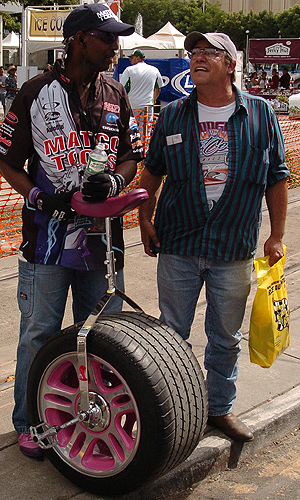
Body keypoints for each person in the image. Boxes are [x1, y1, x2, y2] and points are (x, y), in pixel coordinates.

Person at [0, 3, 141, 459]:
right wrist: (39, 196)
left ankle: (91, 417)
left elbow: (132, 156)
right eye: (107, 37)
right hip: (47, 242)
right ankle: (28, 422)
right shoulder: (34, 92)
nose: (116, 46)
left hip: (103, 246)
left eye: (117, 38)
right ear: (79, 40)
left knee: (105, 333)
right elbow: (4, 160)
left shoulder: (117, 92)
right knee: (40, 333)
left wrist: (117, 179)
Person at [139, 31, 289, 443]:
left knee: (225, 339)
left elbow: (277, 179)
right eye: (194, 52)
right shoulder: (171, 115)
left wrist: (276, 235)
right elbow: (151, 173)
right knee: (171, 336)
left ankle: (219, 408)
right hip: (179, 246)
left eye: (209, 53)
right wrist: (144, 218)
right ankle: (172, 412)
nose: (197, 58)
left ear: (231, 64)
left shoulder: (260, 114)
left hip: (234, 248)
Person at [120, 49, 163, 131]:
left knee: (131, 132)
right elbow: (158, 88)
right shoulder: (154, 70)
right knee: (145, 133)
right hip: (147, 106)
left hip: (133, 106)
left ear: (138, 58)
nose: (130, 60)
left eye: (132, 57)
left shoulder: (129, 70)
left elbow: (121, 88)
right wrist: (154, 100)